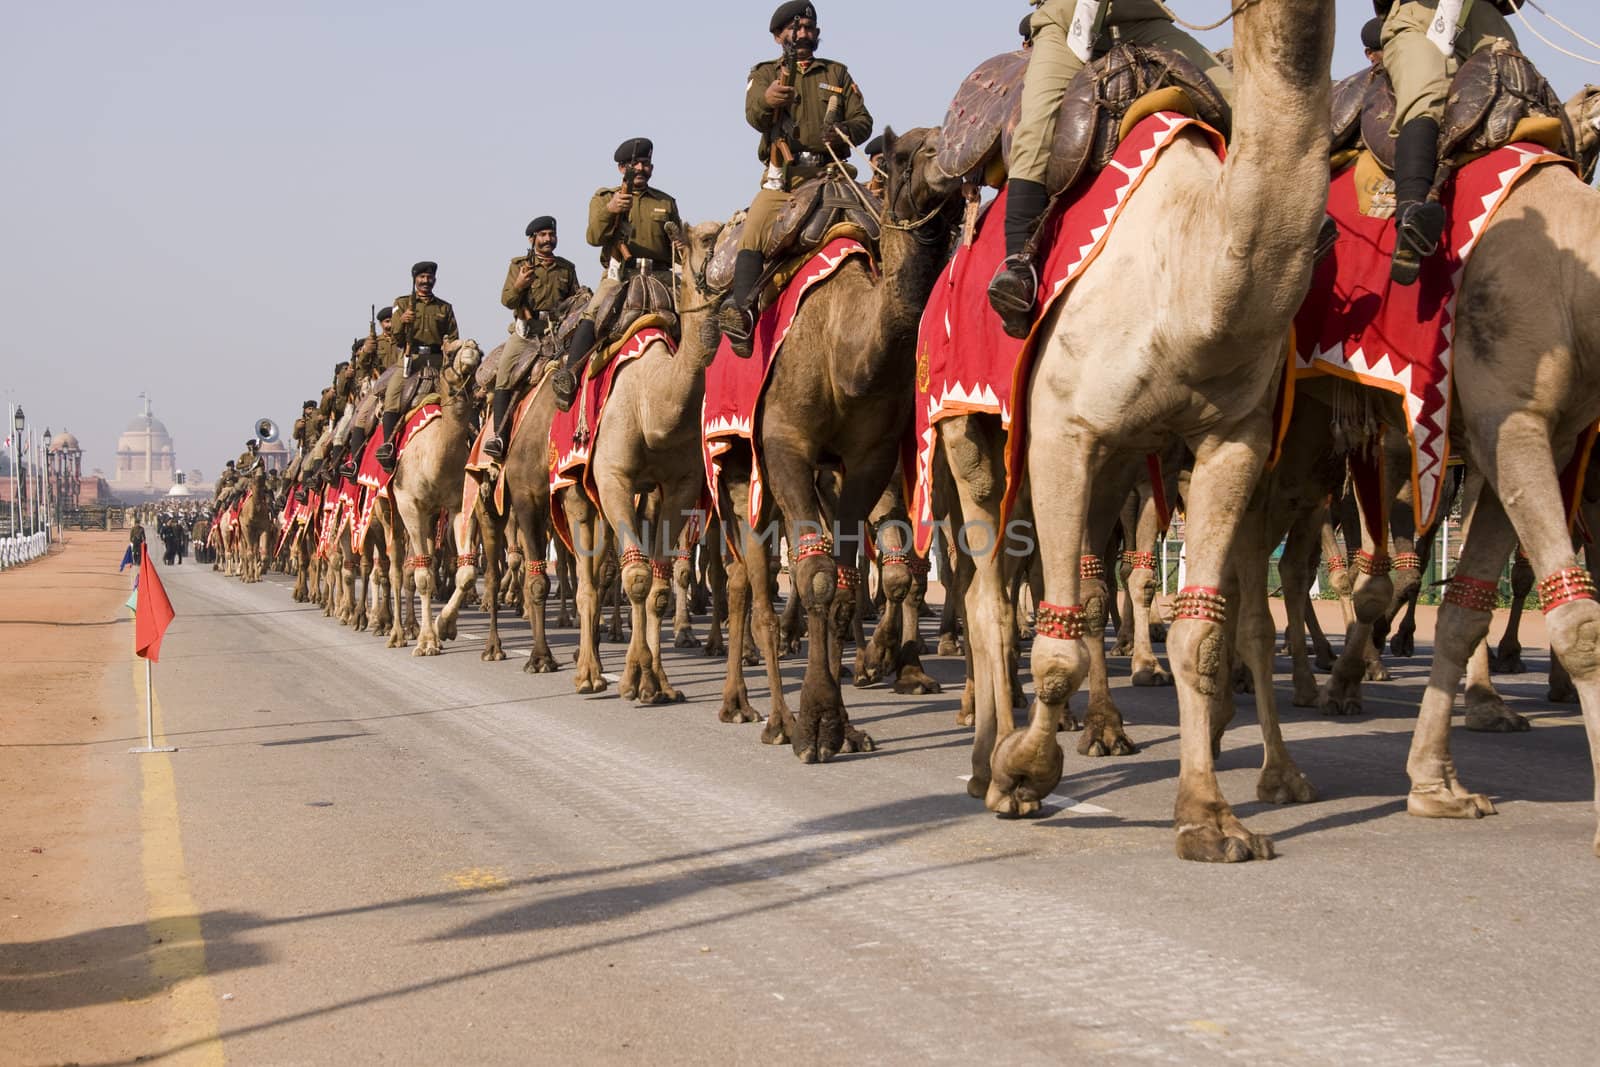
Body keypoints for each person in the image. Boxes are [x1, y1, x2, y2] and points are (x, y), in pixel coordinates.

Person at [986, 1, 1234, 337]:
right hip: (1066, 22)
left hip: (1145, 22)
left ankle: (1278, 211)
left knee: (1236, 99)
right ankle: (1019, 267)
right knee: (1038, 128)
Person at [719, 1, 874, 358]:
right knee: (755, 228)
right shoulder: (763, 73)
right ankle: (742, 313)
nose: (803, 34)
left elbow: (864, 120)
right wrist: (769, 99)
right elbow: (754, 113)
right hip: (785, 181)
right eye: (795, 28)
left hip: (832, 173)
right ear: (778, 36)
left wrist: (843, 130)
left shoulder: (837, 73)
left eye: (809, 28)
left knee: (881, 220)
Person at [1378, 1, 1520, 284]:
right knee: (1428, 89)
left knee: (1528, 100)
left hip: (1486, 21)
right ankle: (1411, 215)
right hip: (1421, 18)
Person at [551, 139, 681, 411]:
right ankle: (571, 375)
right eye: (636, 164)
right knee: (595, 310)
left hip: (662, 277)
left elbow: (676, 251)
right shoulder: (604, 198)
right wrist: (611, 210)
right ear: (622, 168)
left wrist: (682, 247)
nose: (642, 168)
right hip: (620, 275)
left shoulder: (666, 202)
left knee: (693, 312)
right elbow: (593, 237)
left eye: (646, 163)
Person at [485, 216, 580, 459]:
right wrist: (519, 285)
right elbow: (507, 300)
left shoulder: (566, 268)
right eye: (543, 235)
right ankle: (499, 437)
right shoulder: (519, 265)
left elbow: (575, 302)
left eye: (551, 234)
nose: (548, 239)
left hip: (558, 333)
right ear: (532, 239)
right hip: (527, 332)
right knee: (505, 375)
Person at [377, 261, 459, 470]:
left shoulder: (444, 307)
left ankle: (473, 439)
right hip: (410, 360)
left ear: (434, 280)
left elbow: (453, 335)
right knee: (393, 396)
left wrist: (450, 345)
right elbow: (395, 337)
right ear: (415, 280)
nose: (425, 281)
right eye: (422, 277)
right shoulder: (402, 303)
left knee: (463, 396)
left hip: (437, 360)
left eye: (429, 277)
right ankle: (388, 446)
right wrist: (402, 320)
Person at [340, 307, 399, 476]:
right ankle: (355, 464)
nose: (389, 325)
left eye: (391, 321)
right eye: (386, 322)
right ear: (381, 324)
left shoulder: (403, 338)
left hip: (404, 381)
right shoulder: (375, 342)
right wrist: (366, 351)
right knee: (361, 418)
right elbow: (363, 366)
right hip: (380, 387)